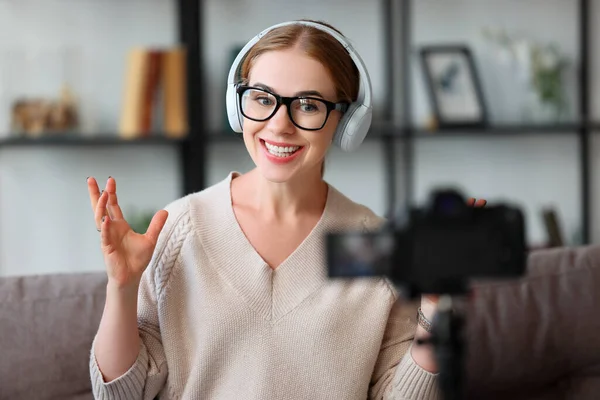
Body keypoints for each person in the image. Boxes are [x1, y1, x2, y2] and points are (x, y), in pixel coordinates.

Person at [87, 19, 485, 400]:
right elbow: (121, 394)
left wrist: (435, 306)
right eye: (262, 99)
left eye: (308, 105)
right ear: (237, 105)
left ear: (346, 121)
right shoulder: (176, 230)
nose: (279, 125)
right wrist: (121, 289)